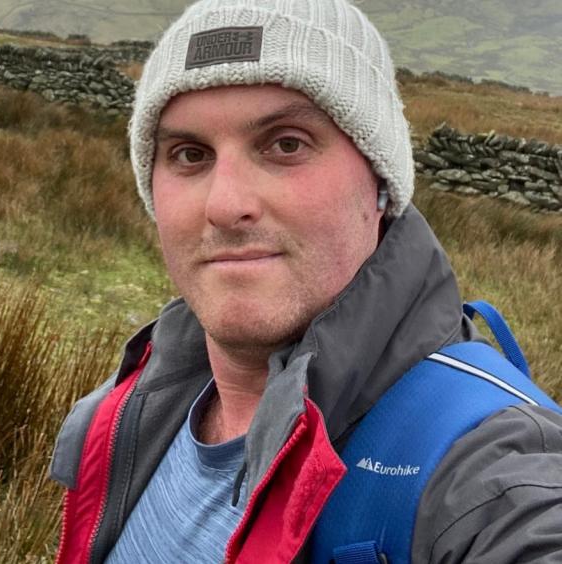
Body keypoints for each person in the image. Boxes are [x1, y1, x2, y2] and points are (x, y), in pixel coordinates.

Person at [50, 0, 562, 562]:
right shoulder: (128, 410)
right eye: (189, 154)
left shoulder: (489, 470)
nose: (225, 205)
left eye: (286, 144)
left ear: (380, 184)